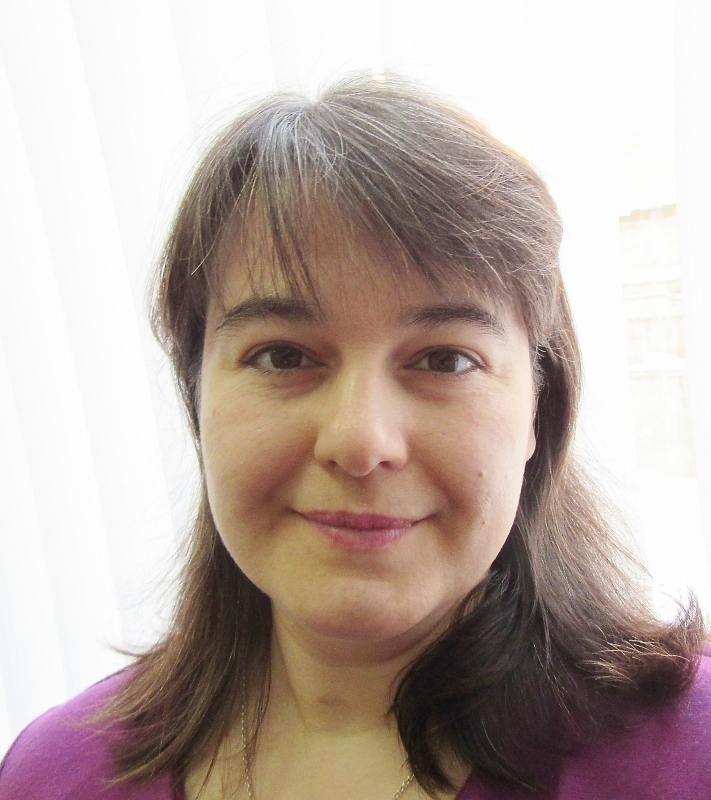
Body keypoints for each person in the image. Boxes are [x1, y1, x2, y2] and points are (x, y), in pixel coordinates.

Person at [0, 73, 708, 800]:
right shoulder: (51, 775)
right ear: (197, 395)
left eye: (445, 360)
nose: (361, 442)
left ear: (538, 408)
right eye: (282, 356)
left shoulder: (692, 754)